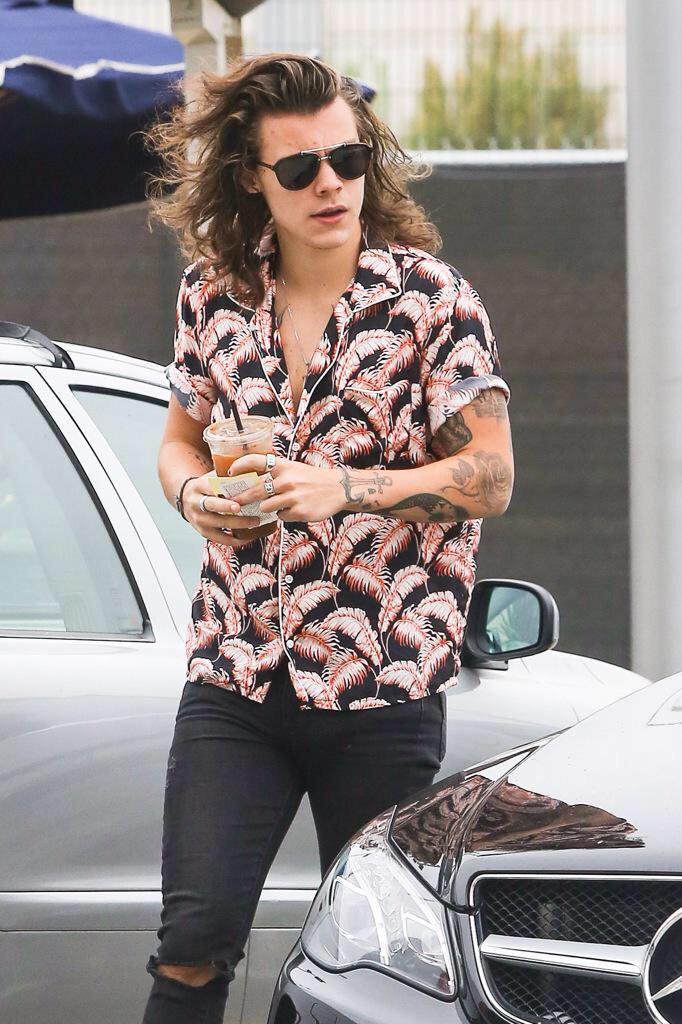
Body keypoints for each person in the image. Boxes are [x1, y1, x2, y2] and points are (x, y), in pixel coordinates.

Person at [141, 52, 514, 1024]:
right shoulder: (213, 295)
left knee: (381, 970)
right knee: (190, 947)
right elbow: (178, 443)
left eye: (347, 160)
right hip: (235, 675)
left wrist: (342, 489)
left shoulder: (431, 300)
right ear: (251, 179)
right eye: (300, 168)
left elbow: (490, 476)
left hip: (383, 688)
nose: (330, 185)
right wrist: (193, 496)